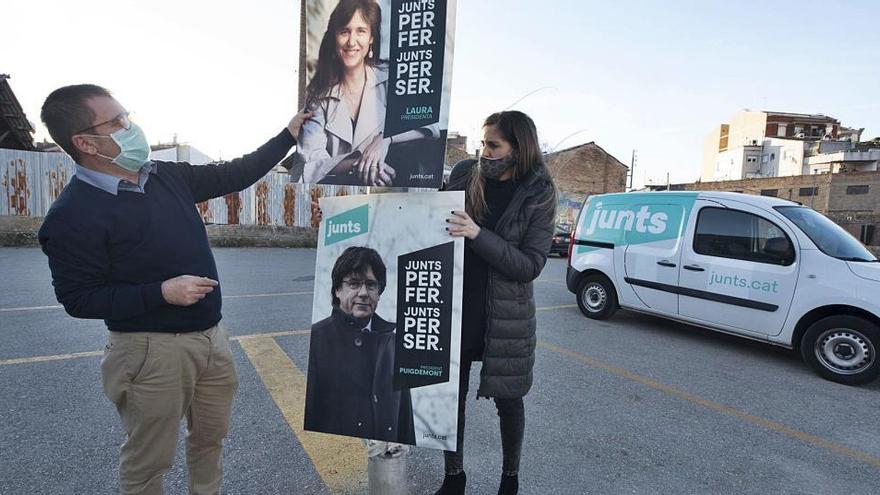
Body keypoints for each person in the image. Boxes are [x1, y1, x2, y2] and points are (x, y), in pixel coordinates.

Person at [37, 83, 311, 495]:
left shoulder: (166, 176)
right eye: (117, 123)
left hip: (211, 339)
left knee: (210, 441)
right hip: (149, 352)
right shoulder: (71, 216)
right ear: (85, 143)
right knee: (149, 461)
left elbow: (236, 172)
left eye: (126, 116)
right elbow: (78, 299)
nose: (131, 128)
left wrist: (288, 135)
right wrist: (160, 293)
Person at [439, 111, 556, 495]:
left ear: (518, 149)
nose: (483, 152)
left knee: (509, 403)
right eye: (482, 143)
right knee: (450, 399)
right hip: (458, 309)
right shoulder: (464, 174)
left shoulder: (539, 192)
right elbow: (426, 217)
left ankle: (510, 481)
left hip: (505, 316)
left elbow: (529, 265)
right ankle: (454, 477)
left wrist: (476, 233)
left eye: (493, 145)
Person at [295, 0, 440, 185]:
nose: (351, 41)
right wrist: (360, 164)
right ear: (334, 36)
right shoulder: (318, 94)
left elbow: (429, 121)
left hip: (389, 191)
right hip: (337, 197)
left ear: (371, 37)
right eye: (344, 31)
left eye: (361, 31)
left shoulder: (392, 77)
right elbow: (310, 164)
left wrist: (386, 138)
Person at [305, 246, 416, 443]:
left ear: (379, 293)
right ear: (338, 289)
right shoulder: (318, 338)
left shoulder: (393, 341)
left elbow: (404, 416)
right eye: (354, 284)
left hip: (385, 457)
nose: (364, 293)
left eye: (371, 285)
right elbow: (312, 412)